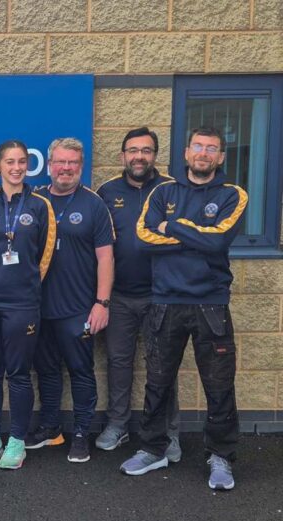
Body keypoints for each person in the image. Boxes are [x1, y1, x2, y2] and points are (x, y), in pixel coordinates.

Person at [121, 126, 247, 491]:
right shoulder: (163, 191)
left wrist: (171, 226)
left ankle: (221, 456)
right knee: (158, 382)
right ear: (186, 153)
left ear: (220, 157)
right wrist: (195, 236)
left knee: (219, 386)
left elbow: (218, 241)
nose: (203, 153)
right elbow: (143, 238)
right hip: (166, 301)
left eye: (211, 148)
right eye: (198, 146)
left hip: (211, 304)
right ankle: (153, 449)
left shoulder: (232, 194)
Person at [96, 128, 181, 460]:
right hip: (119, 296)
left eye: (146, 150)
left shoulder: (173, 189)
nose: (139, 157)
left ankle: (168, 433)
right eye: (133, 150)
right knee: (118, 363)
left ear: (155, 156)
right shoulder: (106, 192)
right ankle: (118, 424)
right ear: (123, 156)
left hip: (163, 295)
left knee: (163, 366)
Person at [0, 140, 56, 470]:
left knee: (19, 374)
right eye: (9, 161)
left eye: (22, 161)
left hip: (22, 303)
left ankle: (17, 441)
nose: (16, 167)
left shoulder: (40, 206)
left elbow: (44, 256)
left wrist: (25, 284)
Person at [29, 137, 114, 463]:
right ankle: (51, 428)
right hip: (39, 307)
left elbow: (106, 258)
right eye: (60, 162)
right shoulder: (35, 201)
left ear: (81, 166)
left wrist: (102, 303)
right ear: (49, 165)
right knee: (46, 370)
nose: (66, 168)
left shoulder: (94, 204)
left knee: (81, 370)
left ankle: (81, 433)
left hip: (78, 308)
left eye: (73, 163)